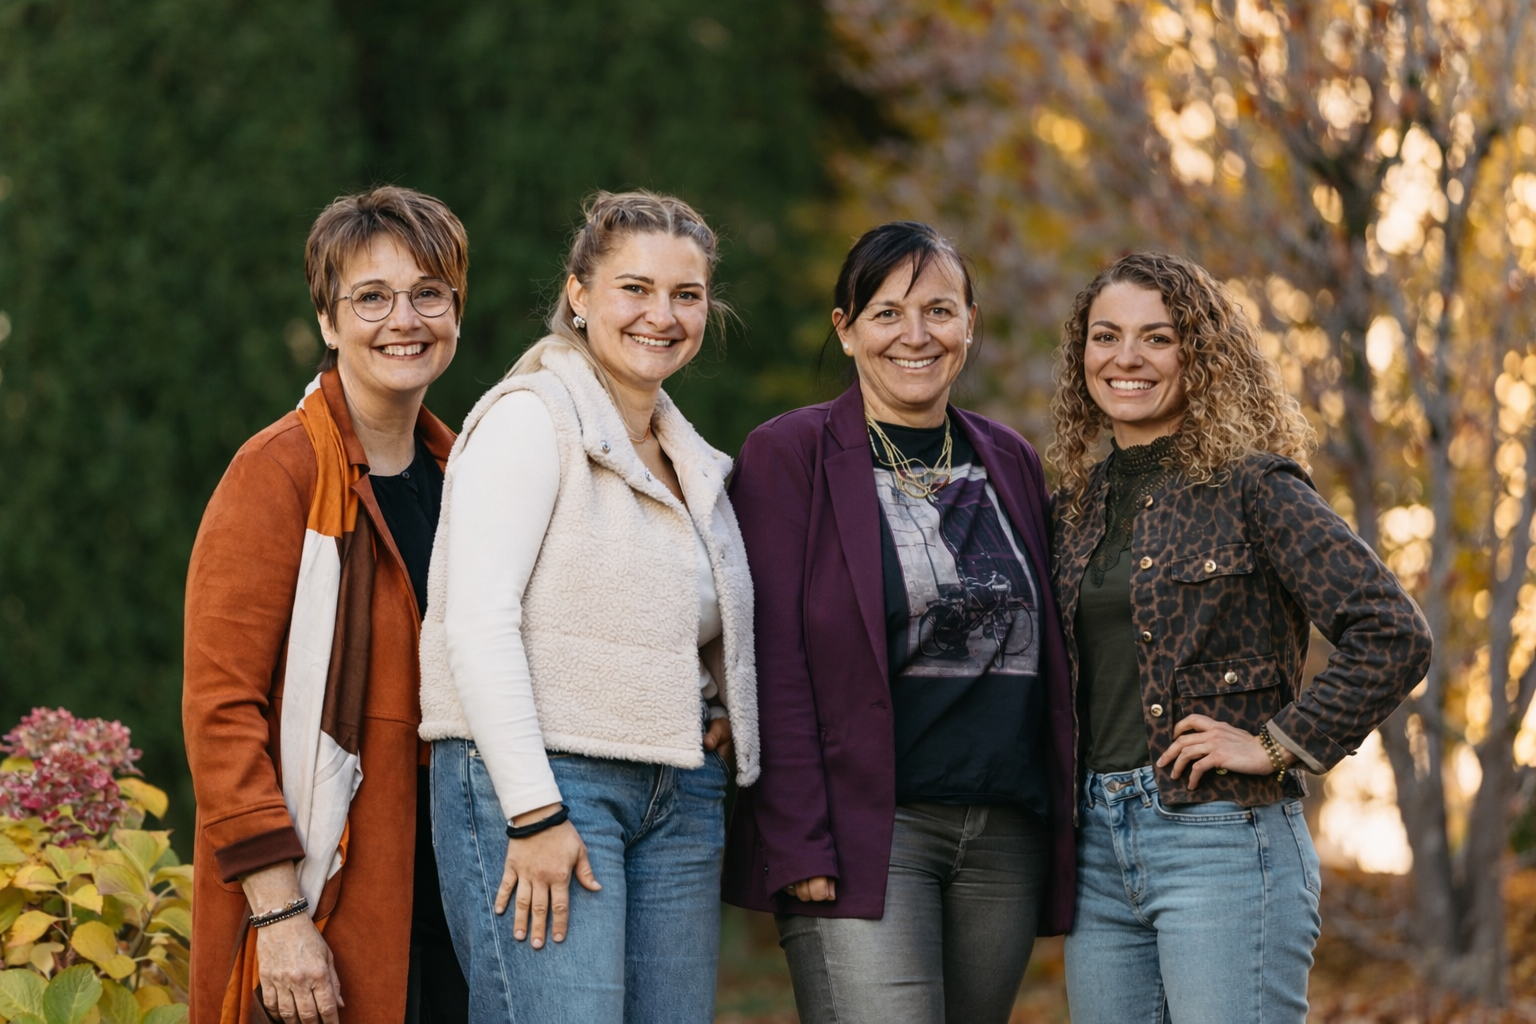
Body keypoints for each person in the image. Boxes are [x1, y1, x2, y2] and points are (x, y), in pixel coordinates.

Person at [1048, 252, 1434, 1023]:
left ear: (1199, 355)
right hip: (1095, 850)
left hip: (1222, 839)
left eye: (1158, 338)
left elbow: (1392, 631)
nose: (1127, 357)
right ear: (1081, 355)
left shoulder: (1254, 488)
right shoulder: (1072, 509)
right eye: (1106, 336)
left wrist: (1278, 742)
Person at [720, 221, 1077, 1024]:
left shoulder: (1011, 459)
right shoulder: (790, 455)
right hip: (868, 830)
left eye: (939, 312)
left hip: (1005, 834)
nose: (916, 335)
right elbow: (772, 659)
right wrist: (798, 837)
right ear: (846, 330)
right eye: (886, 313)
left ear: (969, 325)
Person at [416, 189, 759, 1023]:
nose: (662, 315)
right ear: (578, 294)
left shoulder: (690, 458)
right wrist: (533, 813)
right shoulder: (530, 420)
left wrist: (717, 707)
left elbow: (677, 618)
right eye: (634, 288)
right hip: (546, 784)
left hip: (678, 793)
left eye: (686, 294)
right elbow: (477, 624)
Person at [183, 185, 471, 1023]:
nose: (404, 320)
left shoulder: (471, 475)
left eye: (428, 294)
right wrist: (278, 915)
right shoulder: (278, 473)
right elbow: (220, 711)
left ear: (456, 311)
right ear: (327, 320)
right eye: (371, 297)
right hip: (330, 888)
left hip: (460, 883)